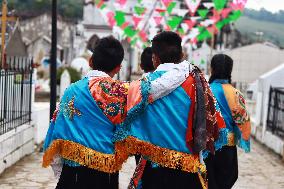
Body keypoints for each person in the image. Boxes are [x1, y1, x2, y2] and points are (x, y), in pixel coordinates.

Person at [115, 31, 225, 189]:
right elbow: (215, 122)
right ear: (181, 54)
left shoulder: (141, 87)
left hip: (153, 173)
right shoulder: (197, 82)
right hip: (187, 173)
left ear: (155, 58)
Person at [42, 36, 129, 189]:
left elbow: (55, 133)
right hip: (105, 175)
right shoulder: (121, 94)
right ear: (118, 68)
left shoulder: (71, 91)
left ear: (90, 61)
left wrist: (61, 171)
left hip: (72, 174)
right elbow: (125, 136)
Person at [205, 54, 251, 189]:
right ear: (230, 71)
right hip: (227, 152)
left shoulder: (203, 91)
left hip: (205, 148)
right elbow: (244, 125)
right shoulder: (236, 94)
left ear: (212, 69)